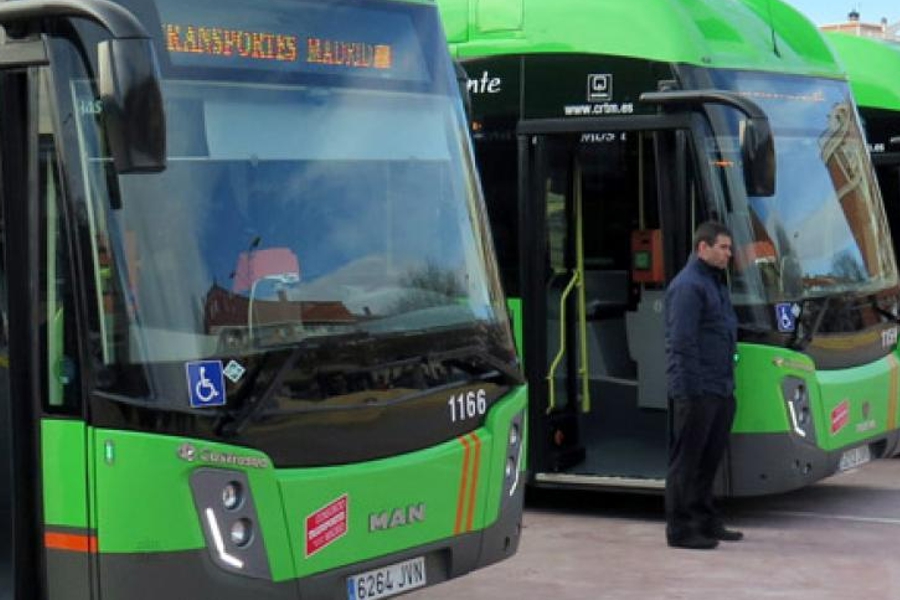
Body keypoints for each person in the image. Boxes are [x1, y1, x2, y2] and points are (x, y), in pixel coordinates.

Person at [665, 221, 742, 550]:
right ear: (703, 248)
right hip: (698, 390)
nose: (728, 253)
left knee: (709, 459)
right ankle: (680, 530)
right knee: (688, 461)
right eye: (722, 247)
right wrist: (693, 391)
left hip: (721, 388)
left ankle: (705, 520)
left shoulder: (714, 283)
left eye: (729, 248)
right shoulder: (688, 286)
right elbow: (682, 342)